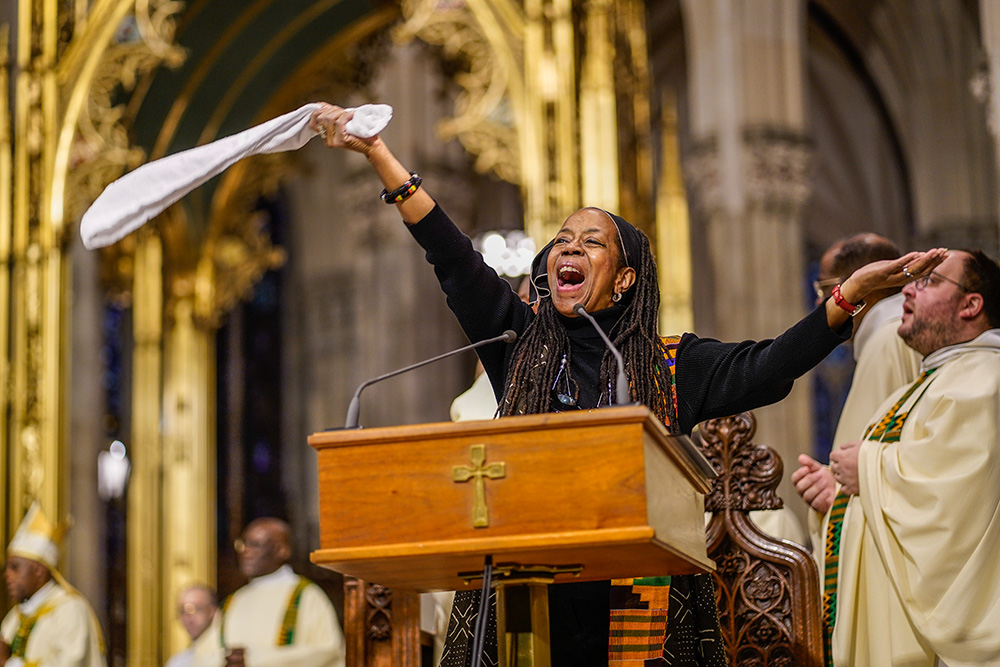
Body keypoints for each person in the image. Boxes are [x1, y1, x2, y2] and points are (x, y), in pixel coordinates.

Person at [310, 103, 943, 667]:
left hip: (640, 604)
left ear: (623, 280)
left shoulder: (670, 366)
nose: (569, 247)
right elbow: (450, 256)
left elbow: (772, 365)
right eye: (562, 239)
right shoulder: (521, 347)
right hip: (528, 597)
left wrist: (849, 297)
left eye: (591, 242)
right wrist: (379, 155)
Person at [808, 250, 1000, 666]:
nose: (907, 289)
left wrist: (868, 469)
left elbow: (955, 508)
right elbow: (898, 483)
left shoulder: (984, 381)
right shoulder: (924, 385)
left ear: (972, 304)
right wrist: (837, 496)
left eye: (929, 281)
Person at [794, 234, 922, 546]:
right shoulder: (899, 330)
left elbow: (863, 461)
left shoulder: (887, 340)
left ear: (863, 284)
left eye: (824, 289)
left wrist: (830, 488)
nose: (819, 303)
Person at [193, 518, 345, 667]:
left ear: (282, 550)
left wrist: (254, 659)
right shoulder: (233, 601)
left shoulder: (306, 596)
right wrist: (227, 659)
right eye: (243, 544)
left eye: (256, 545)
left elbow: (327, 652)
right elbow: (203, 656)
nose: (246, 551)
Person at [0, 502, 105, 667]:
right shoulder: (16, 616)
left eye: (15, 568)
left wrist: (8, 663)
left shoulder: (71, 610)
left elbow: (69, 663)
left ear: (39, 570)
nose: (7, 575)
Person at [165, 584, 218, 667]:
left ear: (211, 611)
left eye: (195, 609)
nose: (188, 617)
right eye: (182, 610)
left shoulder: (227, 656)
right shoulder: (178, 662)